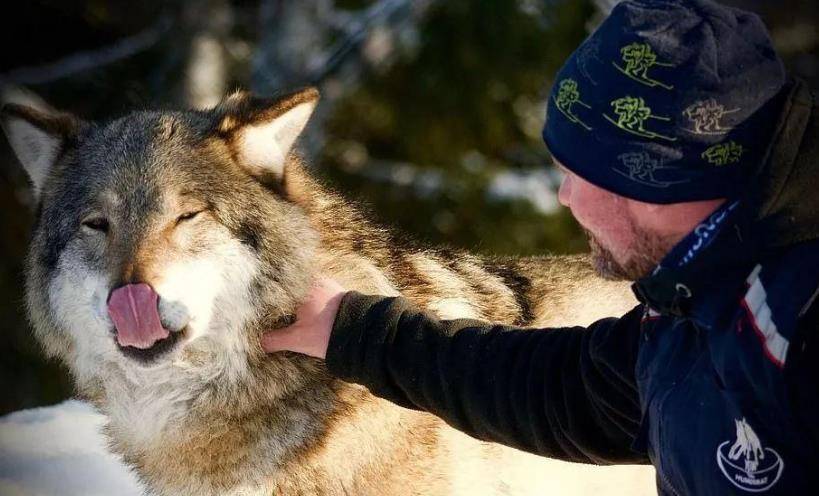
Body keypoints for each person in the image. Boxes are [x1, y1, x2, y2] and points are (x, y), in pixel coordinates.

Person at [262, 0, 819, 493]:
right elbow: (566, 391)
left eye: (576, 175)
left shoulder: (797, 323)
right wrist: (351, 330)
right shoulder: (692, 298)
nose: (563, 198)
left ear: (655, 183)